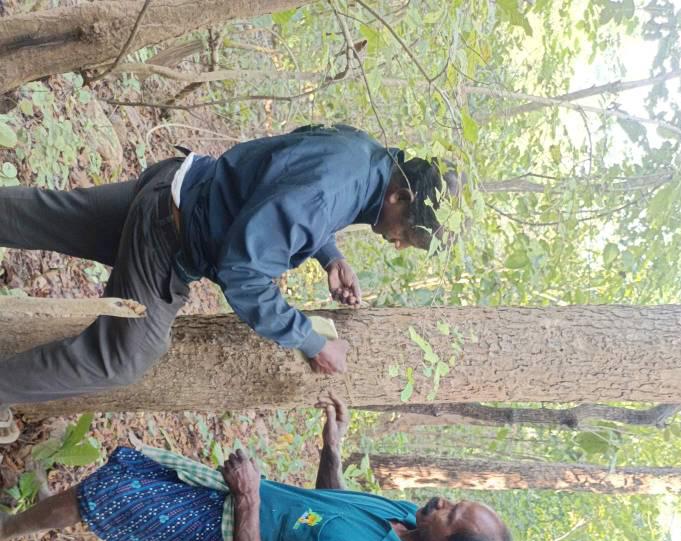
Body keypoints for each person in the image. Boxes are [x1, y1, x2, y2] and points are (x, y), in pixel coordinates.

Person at [0, 123, 460, 442]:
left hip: (177, 184)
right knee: (122, 358)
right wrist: (311, 340)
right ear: (401, 196)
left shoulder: (362, 152)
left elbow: (284, 181)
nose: (399, 245)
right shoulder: (331, 194)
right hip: (170, 233)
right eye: (408, 235)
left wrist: (330, 256)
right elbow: (243, 274)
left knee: (51, 215)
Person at [0, 395, 512, 541]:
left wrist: (248, 499)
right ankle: (35, 513)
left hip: (219, 531)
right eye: (454, 500)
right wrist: (332, 447)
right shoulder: (404, 519)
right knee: (125, 474)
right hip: (233, 493)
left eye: (451, 515)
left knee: (107, 497)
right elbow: (330, 508)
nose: (441, 502)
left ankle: (9, 528)